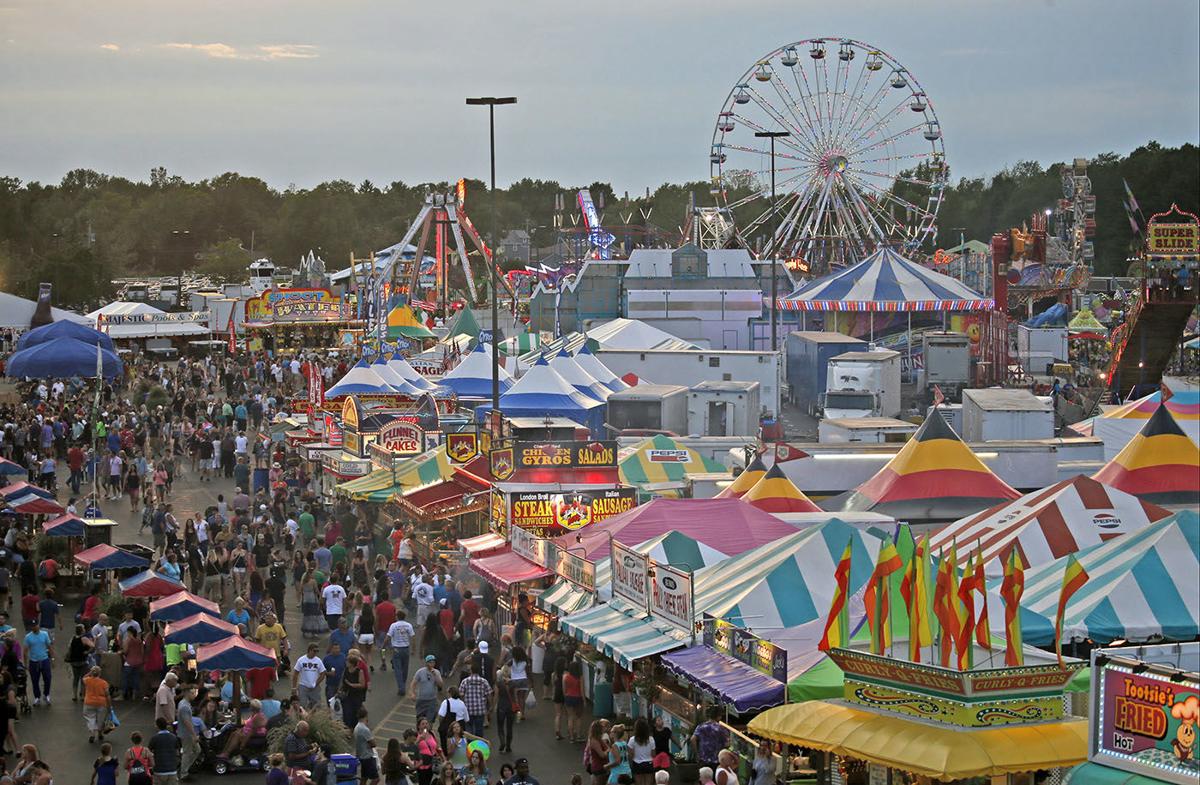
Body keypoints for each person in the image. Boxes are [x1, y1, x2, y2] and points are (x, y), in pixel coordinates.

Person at [22, 619, 52, 706]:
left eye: (35, 625)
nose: (34, 627)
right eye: (32, 626)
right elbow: (25, 651)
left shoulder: (44, 634)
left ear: (38, 625)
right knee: (35, 680)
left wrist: (52, 659)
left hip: (44, 659)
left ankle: (46, 694)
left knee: (48, 678)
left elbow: (49, 646)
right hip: (34, 661)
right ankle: (37, 697)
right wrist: (26, 663)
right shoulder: (28, 637)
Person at [691, 706, 729, 773]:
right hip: (717, 760)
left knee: (704, 778)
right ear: (718, 716)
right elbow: (727, 744)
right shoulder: (721, 728)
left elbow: (692, 739)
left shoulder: (701, 726)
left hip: (703, 758)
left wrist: (697, 754)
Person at [385, 609, 414, 695]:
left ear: (397, 617)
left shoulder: (393, 625)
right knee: (405, 668)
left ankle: (401, 687)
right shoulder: (408, 625)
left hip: (396, 648)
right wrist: (413, 649)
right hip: (406, 648)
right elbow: (413, 637)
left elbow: (388, 637)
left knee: (398, 669)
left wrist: (384, 645)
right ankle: (403, 684)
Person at [82, 665, 113, 744]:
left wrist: (90, 672)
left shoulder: (87, 680)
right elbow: (107, 695)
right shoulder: (104, 683)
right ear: (100, 674)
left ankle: (92, 733)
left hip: (89, 702)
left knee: (90, 718)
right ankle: (100, 733)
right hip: (101, 703)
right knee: (101, 719)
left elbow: (83, 678)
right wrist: (109, 706)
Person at [459, 664, 491, 737]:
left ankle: (470, 745)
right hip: (480, 709)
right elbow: (489, 695)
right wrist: (490, 706)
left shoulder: (465, 681)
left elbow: (461, 695)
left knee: (469, 730)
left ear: (471, 671)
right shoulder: (484, 681)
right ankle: (479, 746)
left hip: (468, 709)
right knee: (479, 730)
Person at [292, 642, 327, 710]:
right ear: (309, 650)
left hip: (315, 687)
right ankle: (302, 719)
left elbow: (323, 673)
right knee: (302, 706)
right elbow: (295, 674)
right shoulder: (301, 660)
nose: (315, 653)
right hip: (303, 686)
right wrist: (294, 687)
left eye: (317, 651)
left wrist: (316, 684)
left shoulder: (318, 661)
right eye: (314, 651)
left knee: (316, 706)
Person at [148, 716, 181, 785]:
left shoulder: (154, 738)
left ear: (157, 726)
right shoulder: (174, 737)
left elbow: (149, 753)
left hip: (159, 770)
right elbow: (178, 752)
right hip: (172, 770)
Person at [410, 654, 444, 722]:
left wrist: (435, 676)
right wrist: (412, 693)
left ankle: (427, 731)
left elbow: (441, 685)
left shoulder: (437, 672)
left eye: (433, 662)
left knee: (430, 720)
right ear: (426, 663)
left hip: (432, 700)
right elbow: (413, 683)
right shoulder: (420, 672)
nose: (432, 664)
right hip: (421, 700)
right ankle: (421, 732)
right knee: (420, 720)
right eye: (430, 662)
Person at [176, 685, 200, 778]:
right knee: (188, 752)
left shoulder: (183, 703)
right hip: (187, 734)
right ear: (187, 693)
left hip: (185, 732)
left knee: (196, 750)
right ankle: (184, 773)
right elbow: (187, 722)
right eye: (193, 693)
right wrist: (194, 735)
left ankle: (185, 768)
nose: (195, 695)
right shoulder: (185, 706)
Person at [494, 665, 518, 756]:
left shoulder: (498, 683)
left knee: (500, 726)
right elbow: (515, 696)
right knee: (510, 727)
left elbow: (496, 695)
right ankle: (508, 746)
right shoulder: (513, 683)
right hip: (511, 707)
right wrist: (517, 706)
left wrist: (493, 706)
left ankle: (502, 741)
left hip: (501, 706)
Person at [354, 707, 379, 785]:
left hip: (361, 756)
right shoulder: (364, 729)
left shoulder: (357, 727)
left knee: (364, 777)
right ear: (366, 716)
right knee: (376, 779)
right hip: (367, 757)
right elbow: (373, 743)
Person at [414, 716, 442, 785]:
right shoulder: (416, 735)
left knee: (431, 782)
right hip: (422, 765)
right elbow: (412, 748)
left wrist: (442, 758)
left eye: (426, 723)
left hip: (432, 763)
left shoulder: (432, 733)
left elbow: (437, 747)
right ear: (418, 726)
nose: (425, 725)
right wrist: (418, 740)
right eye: (423, 724)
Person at [629, 718, 656, 785]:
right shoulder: (651, 739)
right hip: (648, 763)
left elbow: (631, 754)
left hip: (637, 763)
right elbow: (653, 754)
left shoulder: (632, 740)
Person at [563, 660, 584, 743]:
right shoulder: (580, 677)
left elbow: (564, 690)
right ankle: (578, 735)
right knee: (578, 717)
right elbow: (582, 690)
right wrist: (584, 700)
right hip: (578, 697)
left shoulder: (566, 676)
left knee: (570, 717)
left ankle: (571, 737)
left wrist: (566, 697)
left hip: (568, 697)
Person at [585, 720, 610, 785]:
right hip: (598, 767)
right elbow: (601, 754)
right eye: (602, 727)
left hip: (603, 766)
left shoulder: (599, 739)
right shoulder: (594, 741)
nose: (603, 729)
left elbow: (607, 747)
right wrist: (607, 751)